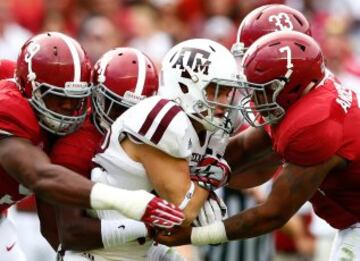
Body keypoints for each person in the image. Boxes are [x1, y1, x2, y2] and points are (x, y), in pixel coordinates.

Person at [156, 30, 360, 261]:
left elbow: (273, 214)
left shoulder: (316, 123)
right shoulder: (306, 94)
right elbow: (245, 148)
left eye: (262, 89)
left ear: (290, 87)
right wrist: (190, 175)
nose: (252, 99)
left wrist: (194, 235)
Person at [61, 38, 240, 260]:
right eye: (215, 90)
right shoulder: (164, 120)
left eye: (227, 92)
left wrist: (205, 175)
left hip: (142, 249)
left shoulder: (195, 125)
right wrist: (208, 175)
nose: (224, 101)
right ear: (184, 85)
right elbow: (183, 211)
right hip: (101, 254)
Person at [0, 31, 183, 234]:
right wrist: (127, 201)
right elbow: (39, 175)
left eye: (76, 97)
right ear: (27, 87)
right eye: (56, 96)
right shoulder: (10, 108)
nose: (69, 106)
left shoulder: (91, 106)